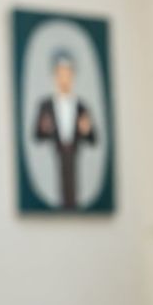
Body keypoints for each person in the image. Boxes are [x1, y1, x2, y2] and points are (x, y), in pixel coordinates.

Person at [33, 49, 96, 208]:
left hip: (74, 152)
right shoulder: (45, 106)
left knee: (72, 188)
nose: (64, 78)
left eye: (68, 73)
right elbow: (37, 136)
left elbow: (93, 138)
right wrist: (44, 129)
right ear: (55, 76)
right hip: (55, 152)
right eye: (60, 73)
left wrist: (86, 131)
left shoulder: (81, 106)